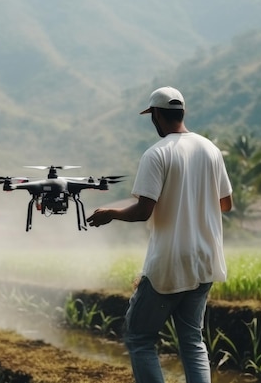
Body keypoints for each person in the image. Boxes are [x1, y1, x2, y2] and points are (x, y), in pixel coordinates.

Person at [86, 86, 233, 383]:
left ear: (155, 115)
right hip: (205, 260)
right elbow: (226, 204)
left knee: (139, 337)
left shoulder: (157, 154)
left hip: (169, 262)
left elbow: (143, 211)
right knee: (193, 341)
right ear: (182, 113)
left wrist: (110, 214)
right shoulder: (210, 149)